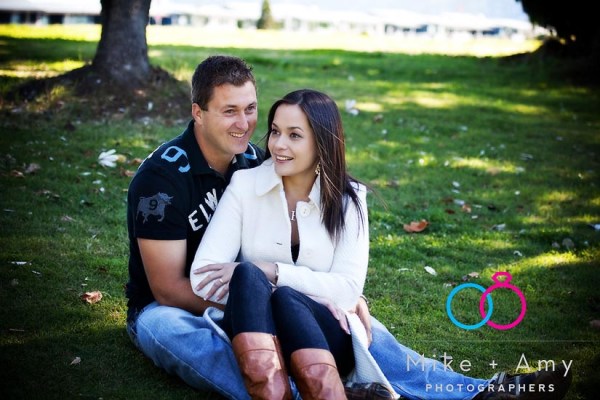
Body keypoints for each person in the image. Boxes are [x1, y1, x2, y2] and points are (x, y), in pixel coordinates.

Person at [126, 55, 572, 400]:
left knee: (359, 325)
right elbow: (168, 290)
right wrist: (265, 299)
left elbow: (309, 268)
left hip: (260, 297)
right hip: (178, 306)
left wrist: (328, 296)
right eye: (229, 111)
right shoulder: (162, 180)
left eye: (251, 110)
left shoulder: (254, 160)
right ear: (198, 112)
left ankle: (479, 392)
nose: (246, 126)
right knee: (173, 331)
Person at [190, 88, 393, 400]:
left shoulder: (348, 200)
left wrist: (272, 272)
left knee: (281, 293)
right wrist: (268, 284)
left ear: (322, 143)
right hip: (256, 333)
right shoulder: (245, 186)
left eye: (294, 135)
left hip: (324, 341)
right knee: (250, 276)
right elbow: (202, 276)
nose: (278, 145)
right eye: (275, 132)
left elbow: (348, 290)